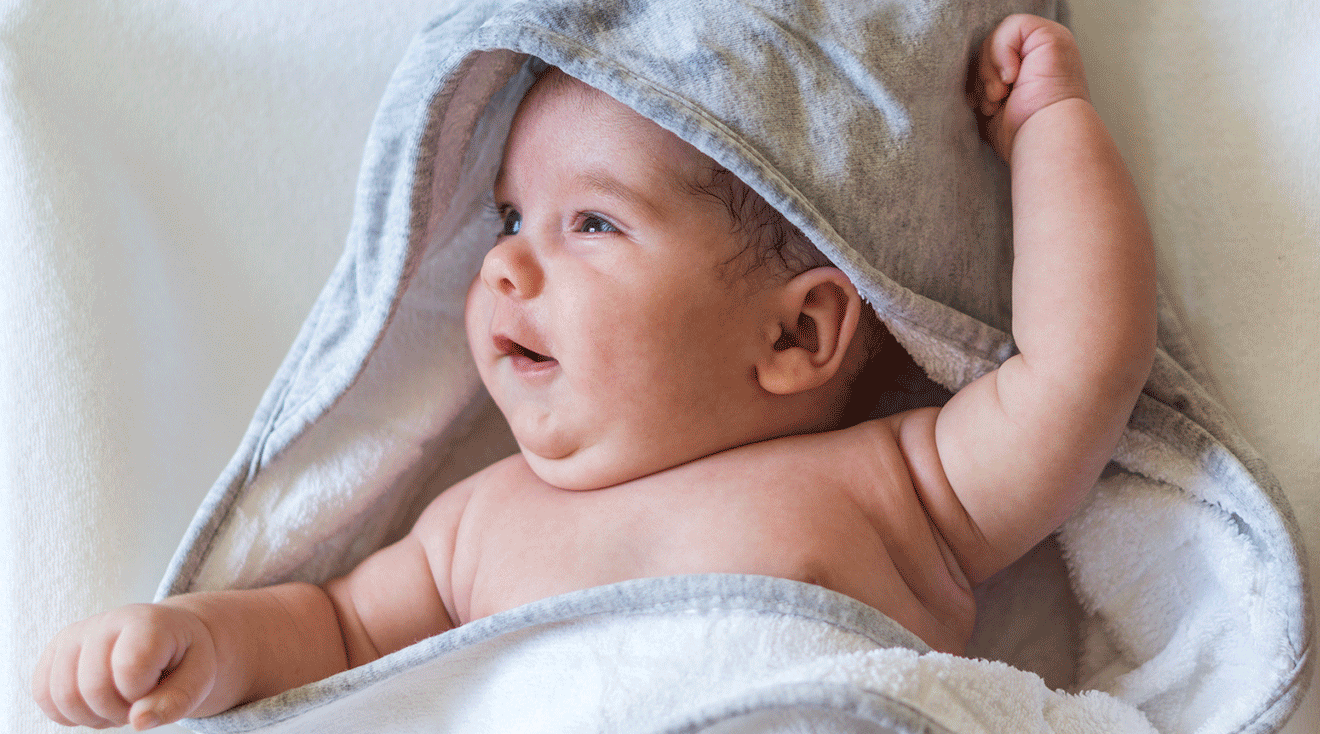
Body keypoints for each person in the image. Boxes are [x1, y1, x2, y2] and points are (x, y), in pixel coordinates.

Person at [33, 14, 1156, 730]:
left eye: (594, 224)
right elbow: (334, 635)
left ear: (798, 337)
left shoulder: (905, 487)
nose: (507, 260)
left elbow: (1078, 365)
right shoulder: (475, 523)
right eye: (512, 214)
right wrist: (207, 641)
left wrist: (1049, 125)